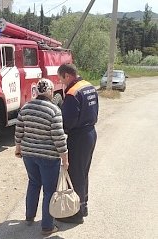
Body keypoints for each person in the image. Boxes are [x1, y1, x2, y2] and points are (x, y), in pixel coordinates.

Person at [14, 78, 69, 236]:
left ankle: (29, 216)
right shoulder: (54, 110)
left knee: (33, 183)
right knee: (49, 191)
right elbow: (59, 137)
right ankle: (47, 226)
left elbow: (19, 131)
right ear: (51, 92)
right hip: (48, 157)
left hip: (29, 155)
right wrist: (65, 158)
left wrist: (18, 148)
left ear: (36, 91)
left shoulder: (25, 108)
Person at [56, 63, 98, 224]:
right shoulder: (88, 86)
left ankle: (75, 214)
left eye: (61, 79)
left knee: (75, 174)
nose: (62, 83)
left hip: (79, 136)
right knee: (83, 172)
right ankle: (83, 206)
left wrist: (60, 132)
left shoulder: (73, 93)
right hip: (90, 133)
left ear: (67, 75)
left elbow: (68, 120)